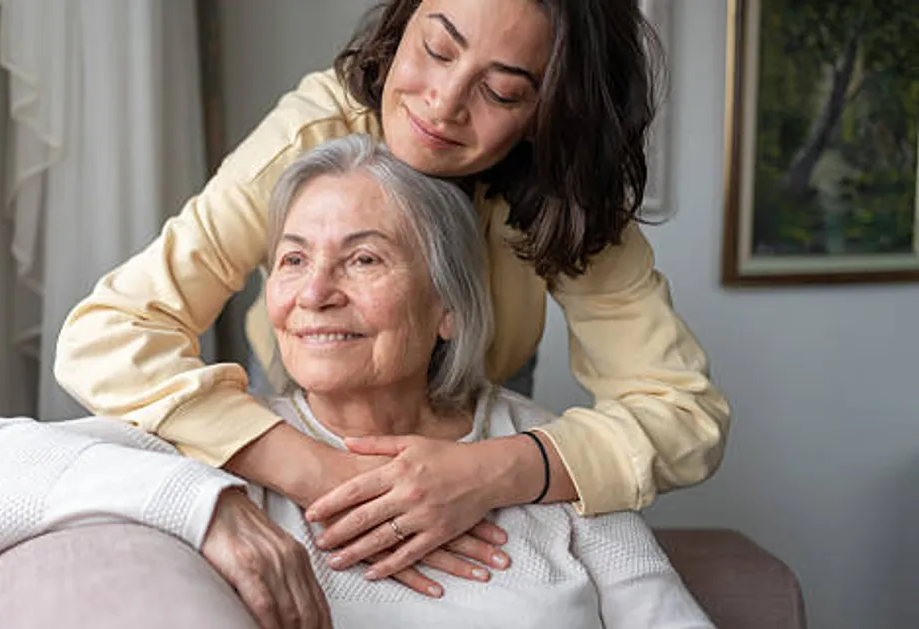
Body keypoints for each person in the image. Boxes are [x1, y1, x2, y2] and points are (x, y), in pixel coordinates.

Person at [54, 0, 730, 591]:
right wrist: (316, 469)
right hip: (303, 400)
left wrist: (492, 469)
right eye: (436, 49)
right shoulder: (309, 137)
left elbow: (684, 414)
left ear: (549, 112)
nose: (442, 103)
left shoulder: (567, 192)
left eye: (499, 92)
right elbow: (108, 335)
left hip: (483, 411)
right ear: (405, 21)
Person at [0, 136, 715, 629]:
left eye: (363, 258)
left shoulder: (547, 457)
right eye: (293, 258)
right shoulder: (228, 441)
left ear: (447, 307)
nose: (313, 292)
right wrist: (209, 507)